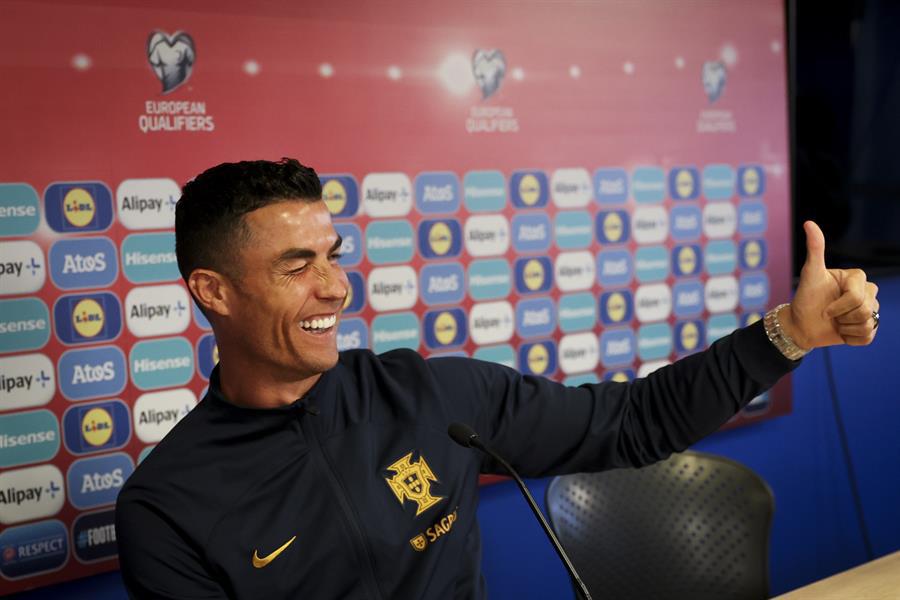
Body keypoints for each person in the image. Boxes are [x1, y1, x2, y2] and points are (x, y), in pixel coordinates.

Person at [116, 158, 880, 599]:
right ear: (213, 291)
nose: (334, 288)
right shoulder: (168, 507)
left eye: (333, 256)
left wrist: (788, 335)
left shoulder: (430, 396)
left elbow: (635, 422)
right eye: (296, 266)